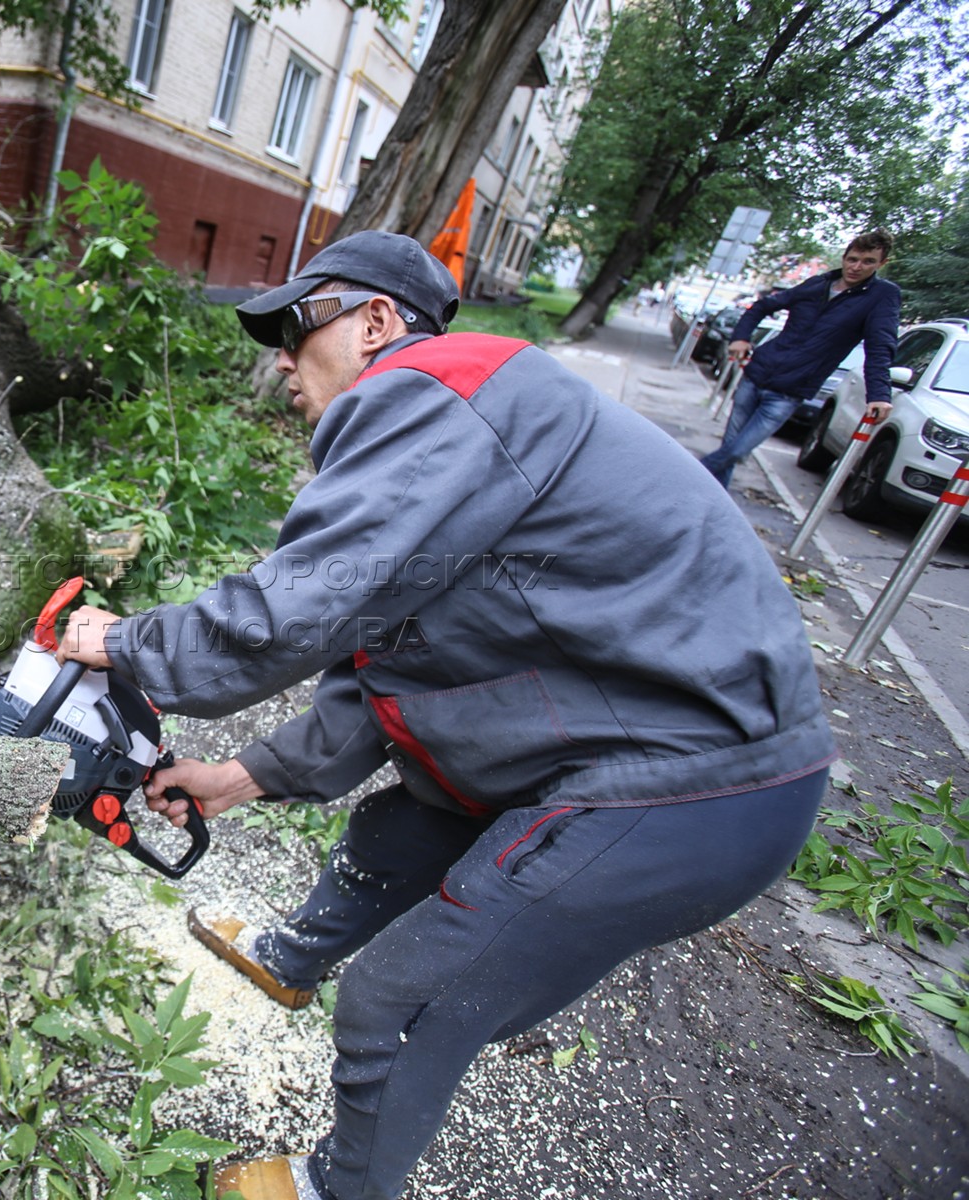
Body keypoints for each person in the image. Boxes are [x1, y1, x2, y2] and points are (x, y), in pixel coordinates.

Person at [54, 231, 835, 1200]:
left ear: (378, 324)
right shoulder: (453, 445)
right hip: (619, 724)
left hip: (702, 772)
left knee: (404, 995)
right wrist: (234, 777)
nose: (284, 365)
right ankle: (291, 958)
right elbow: (386, 673)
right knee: (404, 821)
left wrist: (121, 644)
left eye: (297, 331)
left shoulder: (437, 390)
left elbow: (288, 614)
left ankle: (343, 1188)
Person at [697, 230, 901, 489]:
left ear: (881, 264)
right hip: (757, 374)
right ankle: (709, 503)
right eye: (852, 259)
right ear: (845, 256)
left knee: (737, 451)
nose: (856, 267)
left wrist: (880, 394)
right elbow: (762, 306)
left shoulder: (881, 296)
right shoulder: (817, 284)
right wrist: (741, 337)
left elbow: (880, 346)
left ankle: (689, 475)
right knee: (729, 449)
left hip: (789, 390)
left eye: (868, 261)